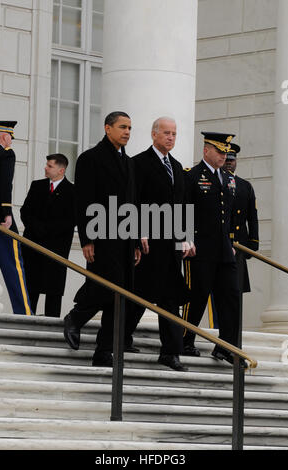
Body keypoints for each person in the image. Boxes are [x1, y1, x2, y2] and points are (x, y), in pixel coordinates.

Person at [63, 111, 141, 367]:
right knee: (105, 286)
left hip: (125, 238)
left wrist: (136, 242)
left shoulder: (129, 163)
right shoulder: (90, 158)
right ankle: (76, 318)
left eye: (129, 127)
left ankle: (104, 350)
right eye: (122, 127)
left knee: (121, 295)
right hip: (101, 234)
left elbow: (133, 205)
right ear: (108, 128)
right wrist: (87, 238)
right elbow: (83, 200)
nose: (127, 132)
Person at [125, 117, 194, 372]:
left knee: (170, 298)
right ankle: (121, 338)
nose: (171, 137)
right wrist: (136, 232)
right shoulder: (139, 163)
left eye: (174, 133)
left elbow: (183, 205)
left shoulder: (176, 167)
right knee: (138, 295)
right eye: (166, 133)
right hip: (147, 244)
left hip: (170, 246)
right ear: (154, 135)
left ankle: (171, 352)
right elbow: (132, 200)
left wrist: (186, 237)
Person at [182, 132, 240, 365]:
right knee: (196, 296)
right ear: (206, 151)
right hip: (200, 248)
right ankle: (185, 340)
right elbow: (183, 209)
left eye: (225, 152)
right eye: (219, 151)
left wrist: (231, 242)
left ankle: (226, 346)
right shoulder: (192, 176)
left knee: (231, 297)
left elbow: (229, 214)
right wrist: (184, 239)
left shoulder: (228, 178)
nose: (223, 155)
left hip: (224, 249)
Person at [207, 143, 259, 329]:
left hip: (238, 248)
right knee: (216, 290)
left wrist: (253, 243)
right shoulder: (216, 182)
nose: (229, 163)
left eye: (232, 160)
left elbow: (252, 217)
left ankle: (232, 332)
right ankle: (217, 329)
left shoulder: (245, 186)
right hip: (220, 245)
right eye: (226, 160)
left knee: (234, 292)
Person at [20, 154, 76, 317]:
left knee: (54, 291)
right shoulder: (37, 186)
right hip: (33, 246)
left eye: (50, 166)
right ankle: (27, 321)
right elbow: (25, 212)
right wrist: (38, 228)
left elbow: (71, 220)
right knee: (31, 288)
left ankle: (53, 325)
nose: (45, 168)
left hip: (56, 249)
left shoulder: (72, 191)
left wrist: (47, 230)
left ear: (61, 170)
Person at [0, 121, 33, 315]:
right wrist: (7, 213)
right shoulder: (6, 153)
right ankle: (24, 312)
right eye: (11, 138)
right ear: (5, 137)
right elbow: (5, 184)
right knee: (13, 267)